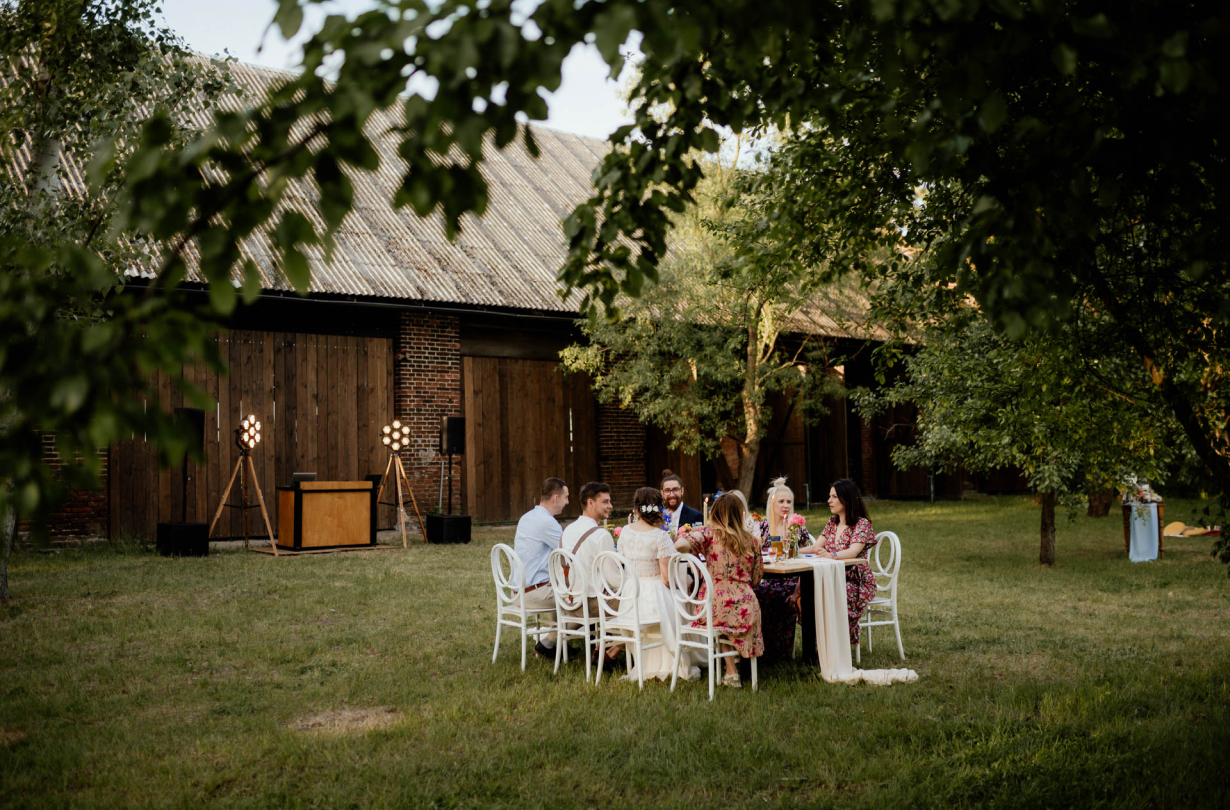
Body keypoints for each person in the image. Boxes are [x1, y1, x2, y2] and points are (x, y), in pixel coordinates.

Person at [676, 493, 764, 688]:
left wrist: (690, 544)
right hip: (748, 608)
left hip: (715, 605)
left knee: (720, 612)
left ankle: (732, 672)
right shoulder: (754, 541)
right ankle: (738, 669)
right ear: (739, 514)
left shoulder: (709, 535)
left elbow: (680, 544)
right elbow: (757, 579)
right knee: (727, 612)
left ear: (715, 513)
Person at [614, 486, 699, 681]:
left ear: (637, 509)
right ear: (659, 509)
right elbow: (667, 578)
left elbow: (623, 562)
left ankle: (647, 663)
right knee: (680, 601)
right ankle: (672, 662)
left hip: (629, 598)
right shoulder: (660, 537)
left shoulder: (625, 531)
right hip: (653, 598)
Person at [801, 479, 878, 645]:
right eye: (830, 496)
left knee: (832, 594)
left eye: (834, 497)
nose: (829, 501)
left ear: (847, 499)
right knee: (807, 594)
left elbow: (853, 551)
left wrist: (831, 555)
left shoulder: (861, 524)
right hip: (831, 577)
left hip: (857, 581)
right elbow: (816, 547)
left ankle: (836, 644)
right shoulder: (832, 523)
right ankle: (819, 644)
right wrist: (792, 552)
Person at [559, 481, 621, 666]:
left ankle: (602, 647)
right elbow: (613, 580)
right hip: (589, 605)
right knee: (641, 599)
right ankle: (611, 651)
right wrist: (637, 581)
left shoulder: (568, 529)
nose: (610, 506)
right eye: (605, 502)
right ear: (590, 502)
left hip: (567, 602)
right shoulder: (601, 535)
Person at [751, 477, 811, 662]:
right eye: (781, 501)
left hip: (792, 579)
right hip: (768, 577)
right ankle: (763, 649)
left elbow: (807, 562)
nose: (785, 505)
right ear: (772, 503)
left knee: (774, 594)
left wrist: (797, 591)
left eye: (789, 502)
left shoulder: (797, 528)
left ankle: (782, 653)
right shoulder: (762, 527)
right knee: (758, 592)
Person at [512, 477, 569, 658]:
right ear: (555, 498)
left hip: (518, 590)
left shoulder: (527, 517)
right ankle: (549, 641)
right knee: (581, 599)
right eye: (566, 497)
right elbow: (569, 551)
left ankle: (557, 643)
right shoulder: (547, 522)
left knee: (559, 584)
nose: (567, 502)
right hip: (533, 593)